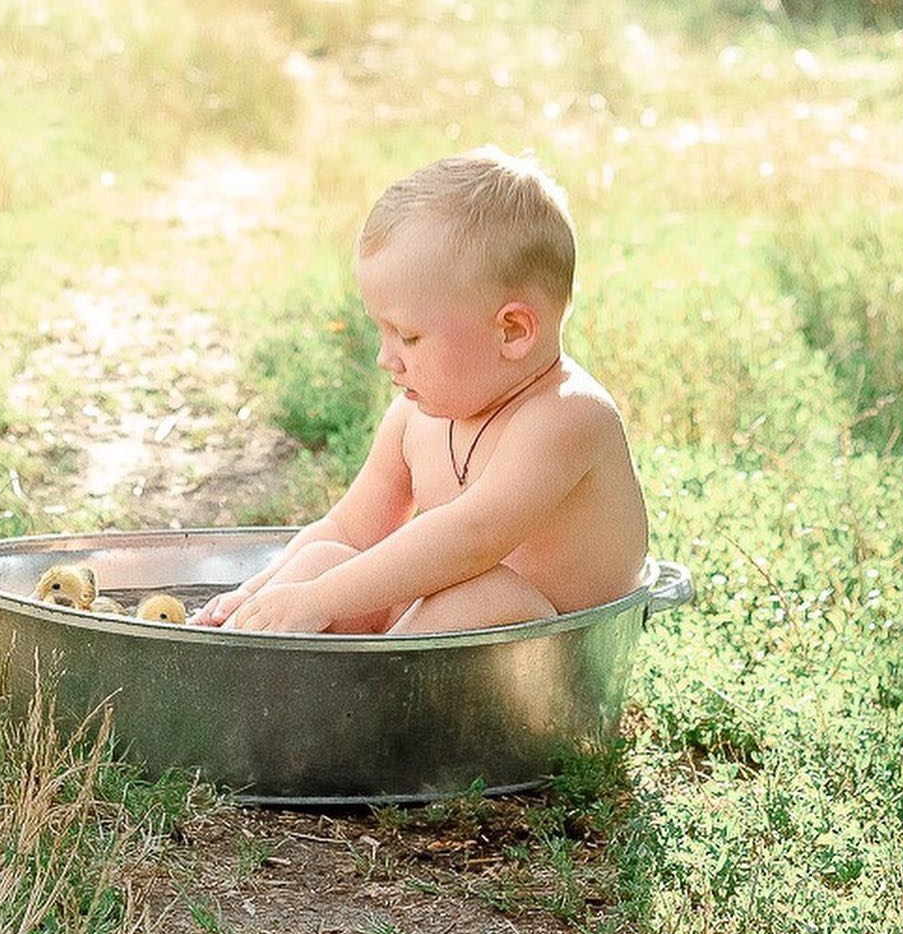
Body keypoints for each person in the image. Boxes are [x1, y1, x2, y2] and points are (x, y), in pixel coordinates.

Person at [192, 147, 648, 635]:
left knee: (489, 593)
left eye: (408, 336)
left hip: (538, 658)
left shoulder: (567, 417)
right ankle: (258, 659)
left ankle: (373, 696)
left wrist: (322, 599)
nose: (386, 358)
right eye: (382, 332)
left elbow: (472, 536)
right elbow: (349, 528)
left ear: (512, 331)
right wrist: (262, 593)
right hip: (423, 629)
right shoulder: (415, 419)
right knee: (324, 555)